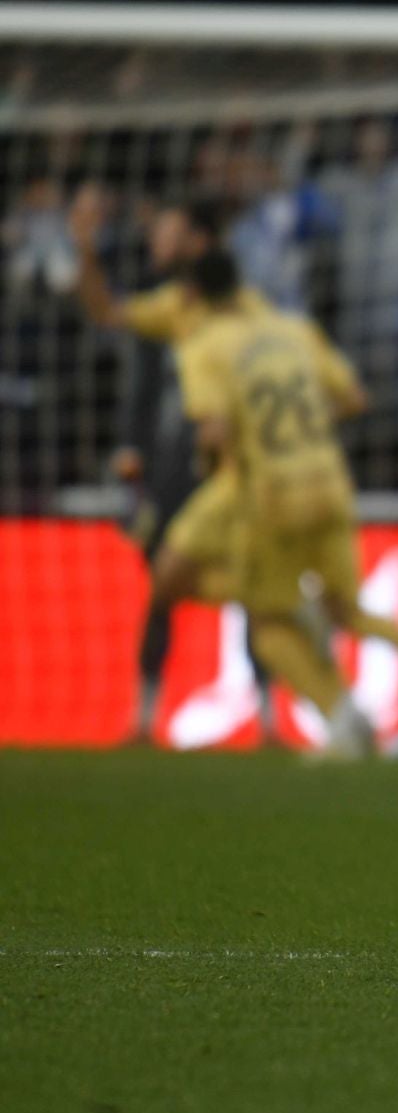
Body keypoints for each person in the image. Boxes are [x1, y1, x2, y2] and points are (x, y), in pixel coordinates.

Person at [174, 251, 398, 759]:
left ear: (191, 296)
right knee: (349, 608)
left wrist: (216, 463)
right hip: (330, 482)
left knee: (268, 623)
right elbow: (355, 398)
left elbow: (215, 429)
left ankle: (340, 719)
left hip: (271, 496)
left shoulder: (206, 346)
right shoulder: (295, 330)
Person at [67, 189, 277, 745]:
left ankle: (269, 718)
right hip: (169, 469)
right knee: (161, 589)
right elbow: (106, 311)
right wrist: (84, 248)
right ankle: (143, 718)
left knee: (255, 589)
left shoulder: (247, 310)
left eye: (168, 229)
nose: (156, 238)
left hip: (231, 471)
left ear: (198, 241)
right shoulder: (170, 304)